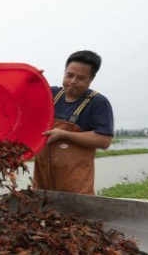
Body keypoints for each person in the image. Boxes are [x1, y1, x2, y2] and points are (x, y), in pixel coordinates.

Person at [33, 50, 114, 195]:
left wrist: (64, 134)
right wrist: (31, 79)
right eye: (69, 75)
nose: (73, 81)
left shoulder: (98, 102)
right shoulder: (50, 94)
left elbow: (104, 140)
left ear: (91, 78)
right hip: (42, 186)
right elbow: (19, 98)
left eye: (81, 78)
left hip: (76, 190)